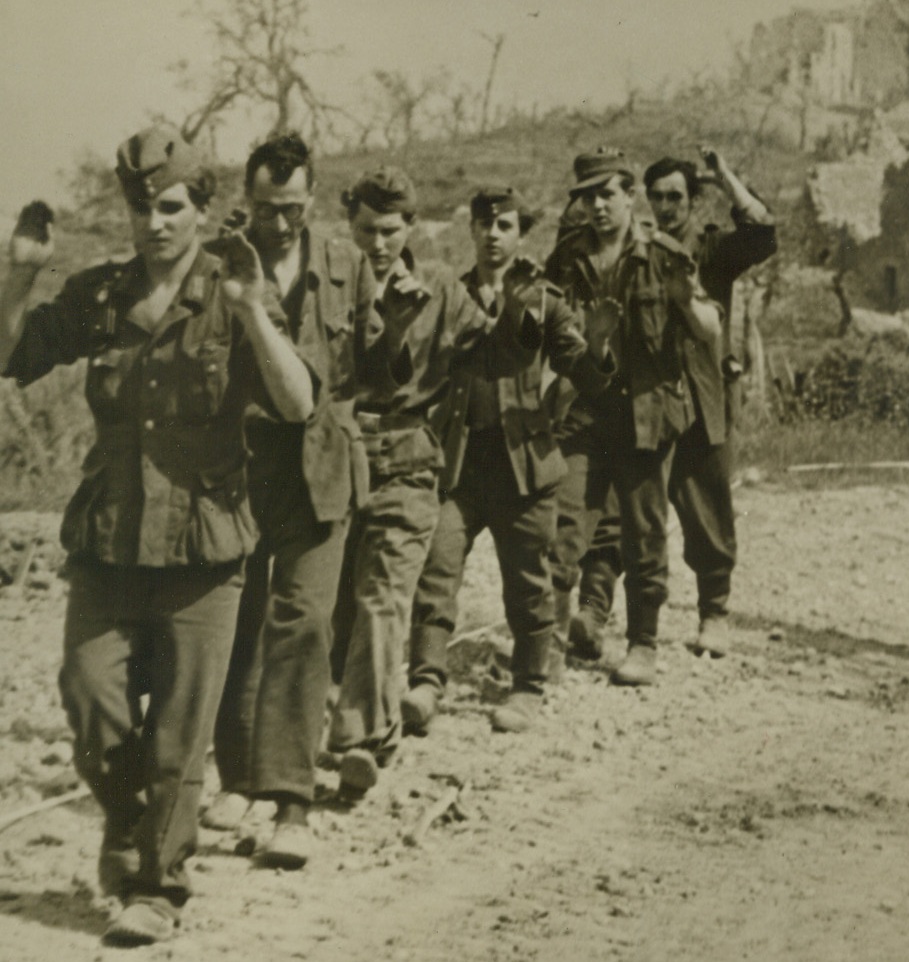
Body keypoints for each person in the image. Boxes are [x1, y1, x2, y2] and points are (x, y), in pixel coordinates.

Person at [0, 126, 314, 945]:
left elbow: (296, 402)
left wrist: (251, 314)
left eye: (171, 206)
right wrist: (21, 274)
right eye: (140, 206)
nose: (154, 222)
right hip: (108, 541)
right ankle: (135, 825)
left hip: (204, 552)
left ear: (202, 210)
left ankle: (158, 889)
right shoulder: (100, 294)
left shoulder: (234, 286)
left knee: (179, 733)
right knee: (89, 697)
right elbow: (9, 356)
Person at [328, 168, 544, 795]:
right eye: (366, 230)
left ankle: (360, 739)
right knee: (339, 602)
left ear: (411, 228)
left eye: (390, 231)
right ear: (351, 226)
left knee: (384, 594)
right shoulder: (333, 288)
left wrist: (522, 316)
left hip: (409, 456)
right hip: (338, 456)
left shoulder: (443, 290)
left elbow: (496, 353)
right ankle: (378, 720)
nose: (377, 243)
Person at [206, 134, 375, 868]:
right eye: (267, 209)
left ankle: (291, 801)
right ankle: (236, 776)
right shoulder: (213, 265)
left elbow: (369, 358)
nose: (280, 224)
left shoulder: (346, 264)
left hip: (319, 464)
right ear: (247, 200)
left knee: (303, 624)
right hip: (236, 467)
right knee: (234, 625)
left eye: (294, 209)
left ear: (313, 198)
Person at [407, 186, 615, 734]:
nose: (494, 236)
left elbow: (585, 375)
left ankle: (527, 685)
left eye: (505, 226)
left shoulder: (545, 299)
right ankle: (425, 681)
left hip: (524, 463)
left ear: (521, 234)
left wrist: (597, 348)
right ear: (471, 232)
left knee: (528, 580)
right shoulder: (448, 296)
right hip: (461, 462)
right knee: (437, 566)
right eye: (485, 225)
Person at [569, 147, 776, 659]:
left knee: (705, 504)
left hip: (702, 395)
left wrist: (726, 174)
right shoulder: (634, 251)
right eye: (657, 197)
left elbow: (762, 234)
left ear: (692, 200)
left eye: (676, 197)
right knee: (620, 507)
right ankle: (593, 609)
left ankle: (714, 611)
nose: (666, 207)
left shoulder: (711, 252)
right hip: (642, 398)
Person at [545, 148, 722, 686]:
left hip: (647, 412)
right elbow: (552, 340)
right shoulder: (567, 260)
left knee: (644, 532)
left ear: (629, 196)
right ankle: (549, 645)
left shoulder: (663, 254)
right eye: (587, 197)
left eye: (607, 195)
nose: (597, 207)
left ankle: (642, 642)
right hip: (586, 412)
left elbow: (710, 328)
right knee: (563, 523)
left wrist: (686, 302)